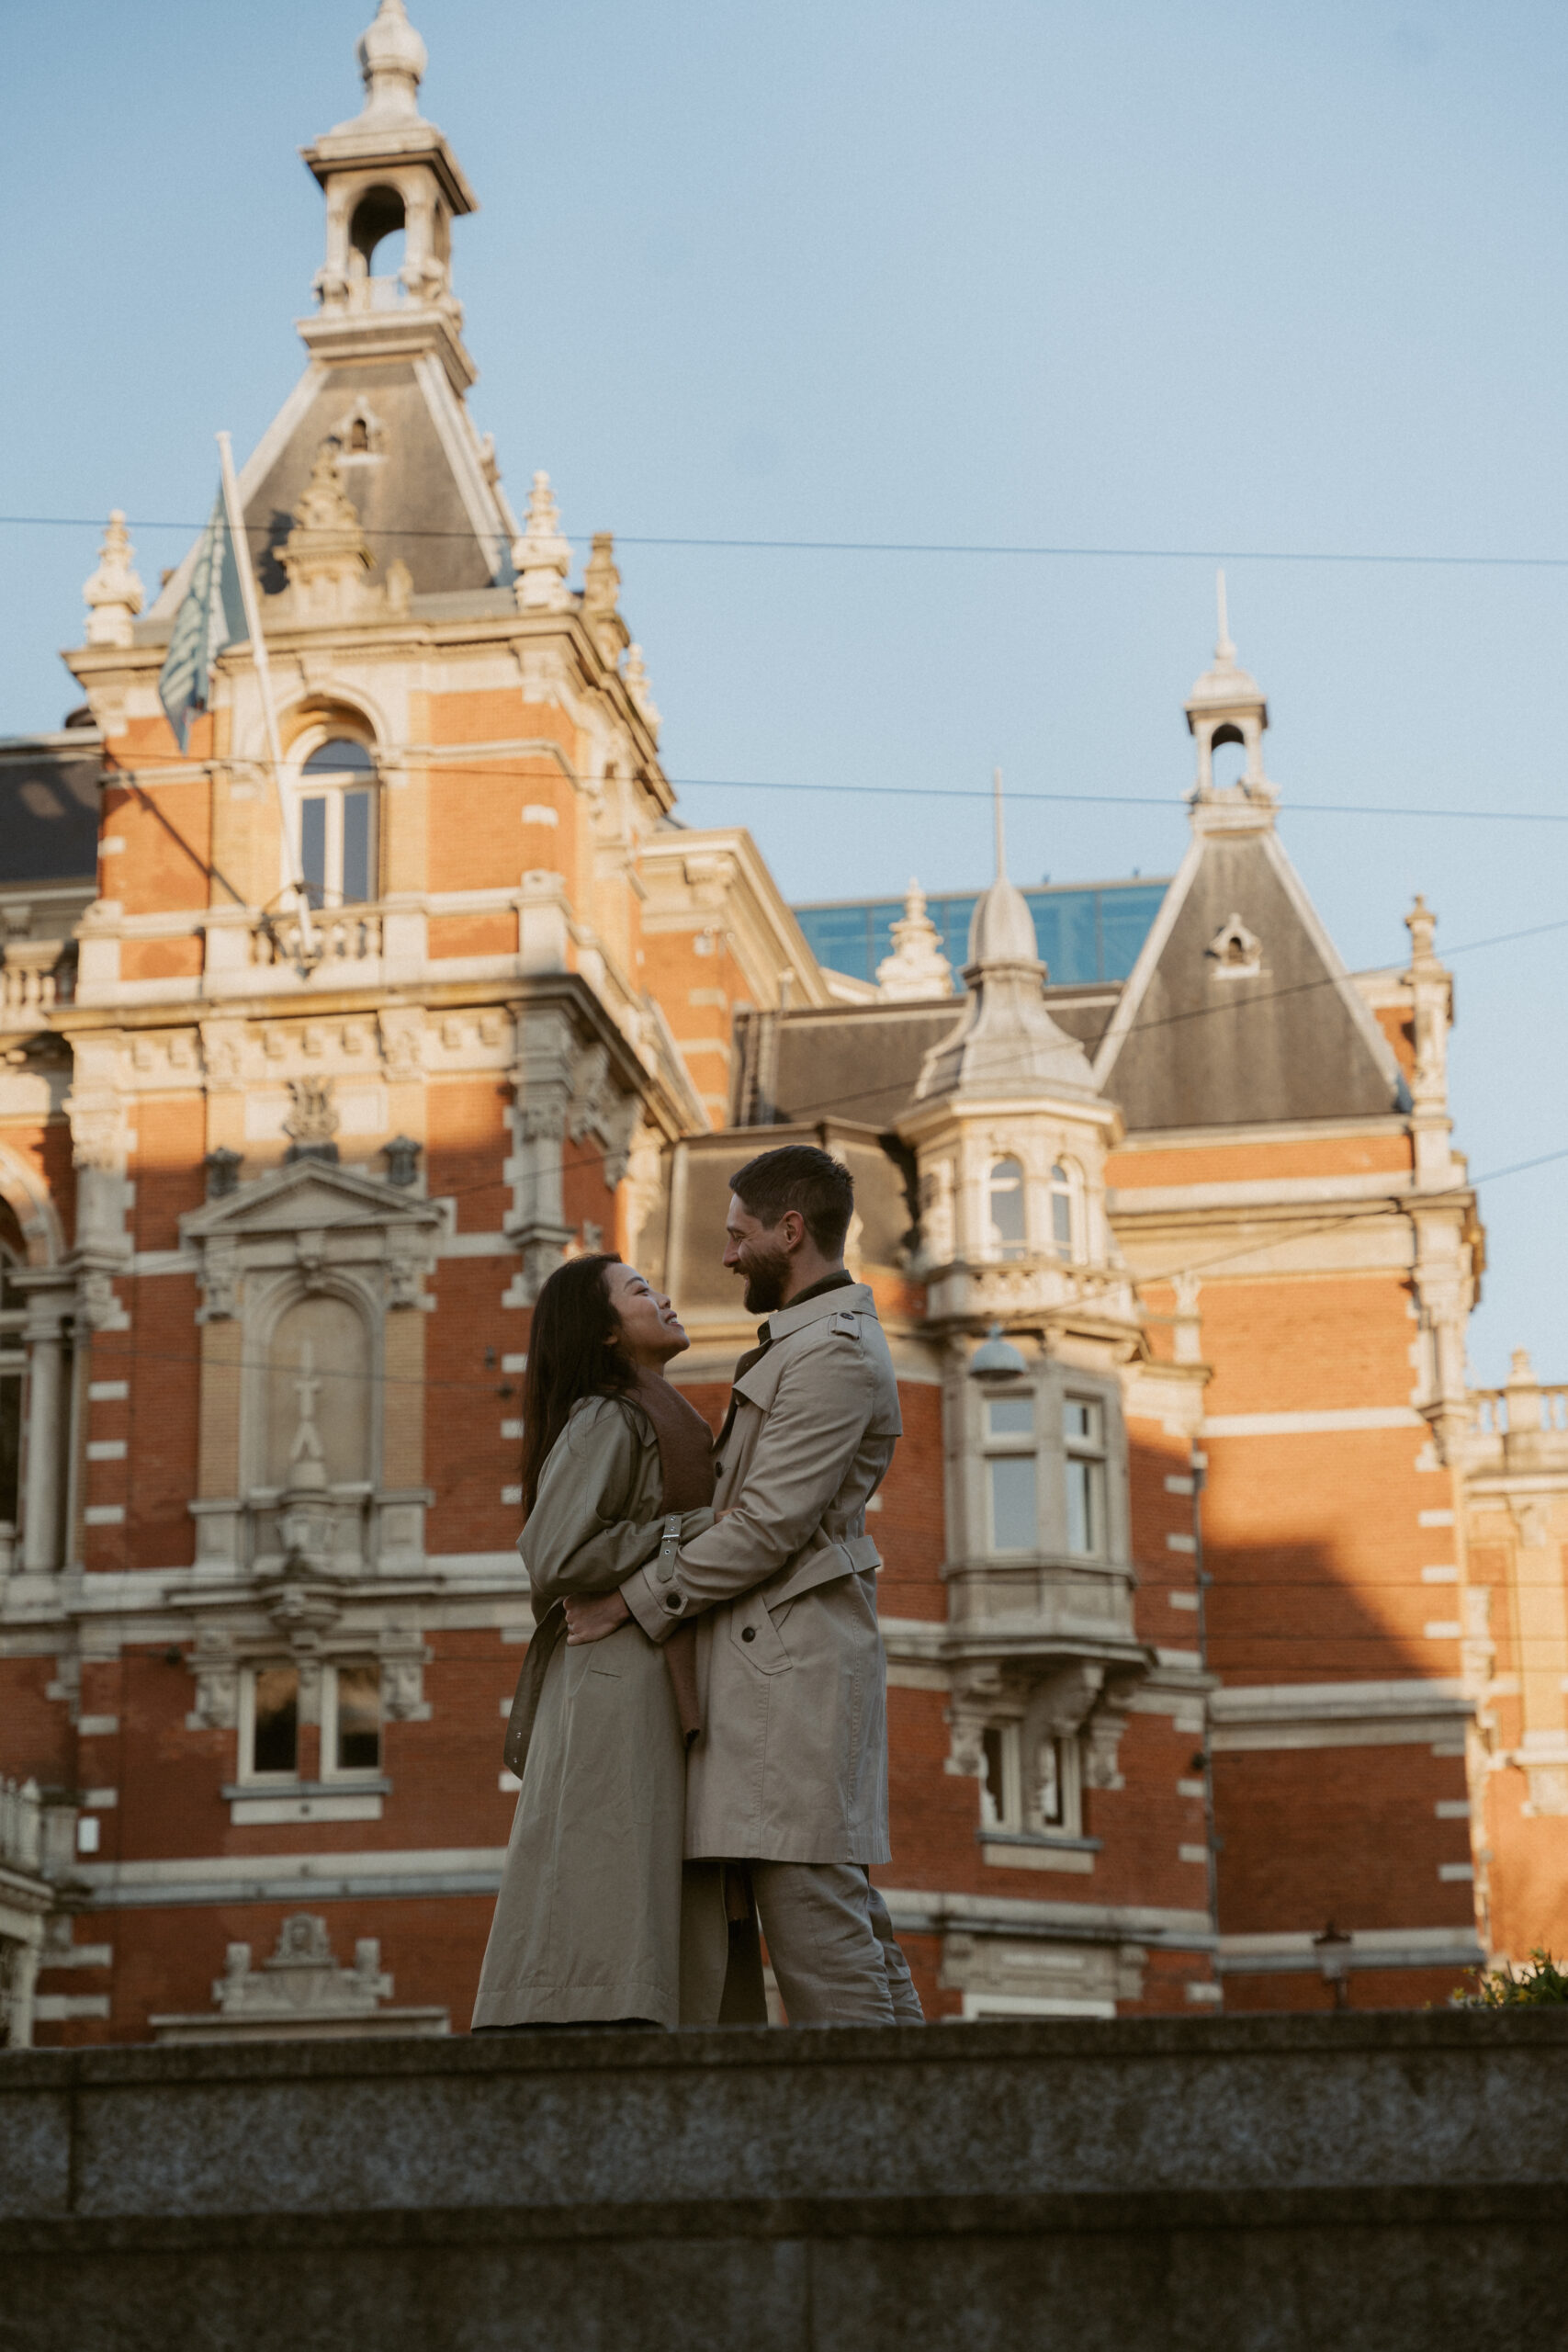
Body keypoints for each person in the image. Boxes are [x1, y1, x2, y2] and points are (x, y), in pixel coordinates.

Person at [564, 1143, 924, 2026]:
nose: (726, 1257)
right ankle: (920, 2102)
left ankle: (887, 2118)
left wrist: (630, 1602)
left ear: (789, 1231)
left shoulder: (830, 1355)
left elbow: (763, 1528)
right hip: (778, 1670)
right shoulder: (805, 1346)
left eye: (738, 1236)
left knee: (818, 1932)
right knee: (840, 1917)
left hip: (789, 1675)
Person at [470, 1253, 755, 2031]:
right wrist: (691, 1528)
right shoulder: (609, 1416)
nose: (663, 1297)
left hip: (643, 1667)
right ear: (603, 1332)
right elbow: (555, 1553)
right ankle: (608, 2022)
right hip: (616, 1681)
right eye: (639, 1290)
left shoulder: (647, 1412)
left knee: (640, 1866)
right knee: (615, 1866)